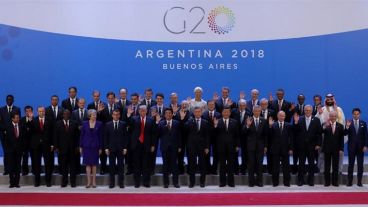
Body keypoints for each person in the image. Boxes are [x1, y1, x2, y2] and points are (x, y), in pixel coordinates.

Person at [127, 105, 157, 188]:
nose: (143, 112)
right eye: (141, 110)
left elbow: (154, 134)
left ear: (147, 111)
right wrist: (129, 116)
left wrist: (153, 145)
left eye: (144, 110)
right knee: (136, 165)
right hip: (136, 145)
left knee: (146, 165)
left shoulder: (151, 120)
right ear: (139, 111)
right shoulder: (133, 119)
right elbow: (129, 127)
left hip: (147, 145)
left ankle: (146, 182)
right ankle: (137, 182)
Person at [315, 93, 346, 174]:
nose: (329, 101)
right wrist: (320, 113)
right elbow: (316, 122)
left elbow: (342, 121)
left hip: (337, 136)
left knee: (339, 154)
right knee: (323, 154)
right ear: (326, 100)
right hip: (325, 136)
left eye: (331, 99)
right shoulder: (322, 109)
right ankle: (322, 169)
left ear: (333, 100)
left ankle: (339, 170)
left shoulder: (339, 109)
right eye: (328, 99)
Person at [293, 105, 323, 186]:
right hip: (301, 146)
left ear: (312, 110)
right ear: (304, 111)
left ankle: (311, 180)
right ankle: (300, 180)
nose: (307, 111)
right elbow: (294, 132)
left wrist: (318, 144)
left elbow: (319, 133)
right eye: (306, 110)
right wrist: (295, 123)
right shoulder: (299, 119)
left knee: (311, 164)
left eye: (309, 110)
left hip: (312, 146)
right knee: (301, 164)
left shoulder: (316, 120)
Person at [213, 107, 240, 187]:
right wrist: (215, 126)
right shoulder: (218, 121)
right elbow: (214, 135)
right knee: (222, 165)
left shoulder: (234, 122)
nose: (226, 113)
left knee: (231, 165)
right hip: (221, 147)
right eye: (224, 112)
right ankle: (222, 182)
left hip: (231, 147)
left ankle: (231, 182)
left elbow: (237, 135)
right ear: (222, 113)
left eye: (227, 112)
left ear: (230, 113)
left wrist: (238, 145)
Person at [184, 107, 210, 188]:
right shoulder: (189, 121)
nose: (198, 113)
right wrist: (183, 119)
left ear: (201, 112)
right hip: (191, 147)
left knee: (203, 165)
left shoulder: (205, 122)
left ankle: (202, 182)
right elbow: (184, 130)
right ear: (194, 113)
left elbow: (207, 136)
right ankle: (192, 182)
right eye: (196, 112)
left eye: (199, 112)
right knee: (192, 165)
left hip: (202, 147)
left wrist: (207, 147)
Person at [53, 110, 79, 187]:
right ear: (62, 115)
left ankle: (73, 182)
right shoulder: (58, 124)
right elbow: (55, 136)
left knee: (73, 167)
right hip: (62, 149)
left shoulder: (74, 123)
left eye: (68, 114)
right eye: (64, 114)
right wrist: (56, 147)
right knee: (63, 166)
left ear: (70, 115)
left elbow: (77, 136)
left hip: (73, 149)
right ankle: (64, 182)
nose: (66, 115)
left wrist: (77, 146)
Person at [243, 105, 268, 187]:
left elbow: (265, 135)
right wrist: (247, 125)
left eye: (258, 111)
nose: (257, 112)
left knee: (259, 165)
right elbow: (244, 132)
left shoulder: (263, 120)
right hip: (251, 146)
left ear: (260, 111)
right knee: (251, 164)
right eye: (255, 111)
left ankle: (259, 181)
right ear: (253, 111)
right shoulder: (248, 119)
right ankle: (251, 182)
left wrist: (265, 146)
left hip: (260, 147)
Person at [104, 109, 129, 188]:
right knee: (111, 166)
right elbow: (105, 137)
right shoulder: (108, 124)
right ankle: (112, 183)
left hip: (121, 149)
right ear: (112, 115)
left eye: (117, 114)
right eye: (114, 114)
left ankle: (121, 183)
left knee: (121, 166)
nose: (116, 116)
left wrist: (125, 148)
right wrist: (106, 148)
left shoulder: (123, 124)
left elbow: (126, 137)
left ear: (119, 115)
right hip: (111, 149)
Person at [157, 108, 181, 188]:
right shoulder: (161, 123)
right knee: (165, 166)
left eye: (170, 113)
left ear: (172, 114)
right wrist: (157, 123)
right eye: (166, 113)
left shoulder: (177, 123)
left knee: (174, 165)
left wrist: (180, 146)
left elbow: (179, 136)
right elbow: (158, 134)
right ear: (164, 115)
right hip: (164, 147)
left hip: (174, 147)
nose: (168, 114)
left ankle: (175, 182)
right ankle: (166, 183)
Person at [30, 106, 53, 187]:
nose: (41, 113)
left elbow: (52, 133)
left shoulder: (49, 120)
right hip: (36, 145)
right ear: (37, 112)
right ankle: (37, 181)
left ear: (45, 112)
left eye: (43, 111)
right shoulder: (33, 120)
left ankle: (48, 181)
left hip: (47, 145)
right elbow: (31, 132)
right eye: (40, 111)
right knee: (36, 164)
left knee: (48, 164)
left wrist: (52, 144)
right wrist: (30, 121)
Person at [268, 111, 293, 187]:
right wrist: (269, 126)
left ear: (285, 116)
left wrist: (291, 148)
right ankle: (275, 182)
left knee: (286, 167)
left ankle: (287, 182)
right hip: (275, 149)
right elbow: (269, 137)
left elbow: (291, 138)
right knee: (275, 167)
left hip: (285, 149)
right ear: (277, 116)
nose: (281, 117)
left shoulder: (288, 125)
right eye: (280, 115)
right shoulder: (273, 125)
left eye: (283, 116)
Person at [79, 109, 103, 188]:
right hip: (86, 147)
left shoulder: (99, 124)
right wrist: (81, 146)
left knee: (94, 165)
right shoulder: (84, 124)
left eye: (95, 115)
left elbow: (100, 137)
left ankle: (94, 182)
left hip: (95, 147)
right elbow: (82, 136)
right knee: (88, 165)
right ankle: (88, 182)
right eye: (93, 115)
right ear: (89, 116)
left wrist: (100, 148)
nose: (95, 116)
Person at [344, 108, 368, 187]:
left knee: (360, 165)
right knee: (350, 165)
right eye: (354, 114)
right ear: (352, 114)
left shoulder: (363, 123)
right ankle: (349, 182)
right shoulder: (349, 123)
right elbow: (345, 134)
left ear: (359, 114)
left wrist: (365, 145)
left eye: (357, 114)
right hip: (351, 147)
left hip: (361, 148)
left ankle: (359, 182)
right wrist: (347, 127)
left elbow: (366, 135)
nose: (356, 115)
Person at [322, 111, 344, 187]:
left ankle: (335, 182)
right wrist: (325, 126)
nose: (333, 117)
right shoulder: (325, 125)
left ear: (336, 117)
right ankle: (327, 182)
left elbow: (341, 139)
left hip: (336, 149)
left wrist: (341, 149)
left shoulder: (340, 126)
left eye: (334, 116)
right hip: (327, 149)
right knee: (327, 166)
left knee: (335, 166)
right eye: (331, 116)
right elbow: (321, 132)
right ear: (329, 117)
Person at [0, 95, 21, 175]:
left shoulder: (17, 109)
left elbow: (17, 121)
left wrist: (11, 130)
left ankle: (15, 169)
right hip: (4, 135)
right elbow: (0, 122)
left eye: (10, 99)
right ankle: (6, 169)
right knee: (6, 152)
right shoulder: (1, 109)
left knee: (14, 153)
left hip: (14, 135)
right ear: (5, 100)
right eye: (8, 99)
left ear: (13, 100)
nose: (9, 101)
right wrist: (5, 130)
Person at [4, 112, 24, 188]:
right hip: (11, 151)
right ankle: (12, 183)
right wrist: (8, 150)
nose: (18, 119)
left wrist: (22, 149)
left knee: (18, 167)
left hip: (19, 151)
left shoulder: (21, 126)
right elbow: (6, 141)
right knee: (11, 167)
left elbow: (23, 139)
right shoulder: (8, 127)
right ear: (12, 119)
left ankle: (17, 183)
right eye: (16, 118)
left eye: (18, 117)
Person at [202, 100, 221, 174]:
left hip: (216, 137)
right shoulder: (203, 114)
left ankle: (214, 169)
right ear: (207, 105)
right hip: (206, 137)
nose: (211, 106)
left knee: (216, 154)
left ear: (214, 105)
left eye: (212, 104)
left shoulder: (218, 114)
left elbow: (220, 127)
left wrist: (216, 126)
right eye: (209, 104)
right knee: (206, 153)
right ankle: (207, 169)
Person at [231, 99, 249, 175]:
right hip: (235, 137)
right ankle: (236, 170)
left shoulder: (249, 113)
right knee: (235, 154)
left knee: (245, 155)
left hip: (245, 137)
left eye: (243, 105)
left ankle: (243, 170)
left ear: (246, 106)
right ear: (238, 106)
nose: (242, 107)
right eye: (240, 105)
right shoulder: (234, 112)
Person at [20, 106, 33, 176]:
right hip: (24, 142)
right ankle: (24, 171)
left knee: (34, 157)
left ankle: (34, 170)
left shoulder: (35, 119)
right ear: (25, 112)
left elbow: (34, 129)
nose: (28, 112)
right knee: (25, 157)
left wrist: (30, 120)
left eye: (29, 111)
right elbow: (22, 130)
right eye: (27, 111)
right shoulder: (21, 120)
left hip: (33, 142)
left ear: (32, 112)